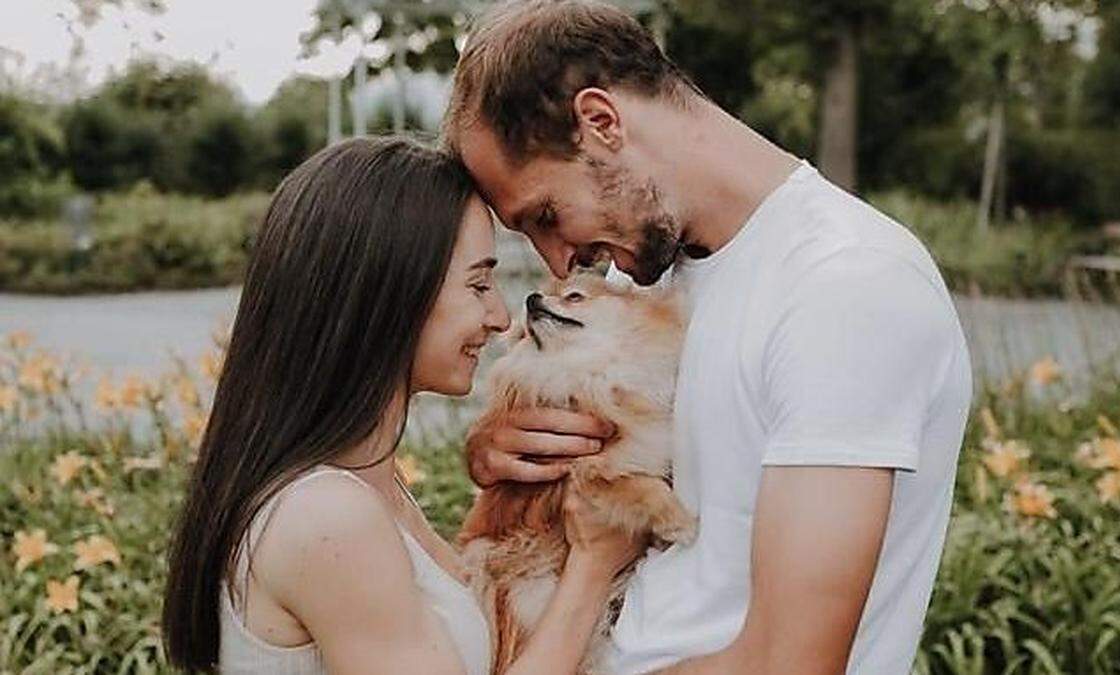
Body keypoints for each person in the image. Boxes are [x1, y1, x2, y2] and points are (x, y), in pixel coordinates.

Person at [443, 1, 973, 673]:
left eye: (547, 214)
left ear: (601, 122)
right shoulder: (640, 283)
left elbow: (792, 662)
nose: (558, 262)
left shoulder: (845, 288)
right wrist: (497, 458)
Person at [161, 136, 643, 674]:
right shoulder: (328, 515)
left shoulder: (364, 487)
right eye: (479, 283)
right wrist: (592, 568)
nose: (502, 316)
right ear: (392, 290)